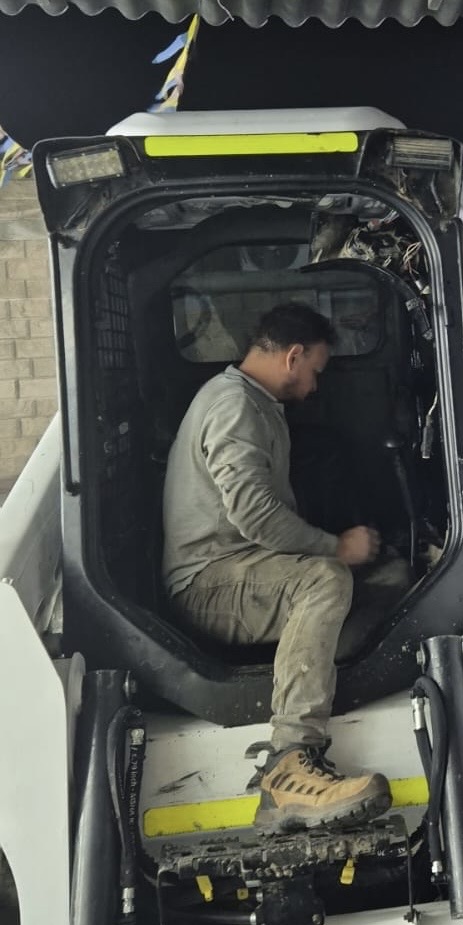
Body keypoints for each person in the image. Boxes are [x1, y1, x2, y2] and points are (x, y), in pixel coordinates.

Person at [162, 302, 392, 831]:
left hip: (236, 570)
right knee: (324, 579)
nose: (314, 387)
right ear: (293, 356)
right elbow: (254, 513)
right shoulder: (234, 406)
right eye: (315, 371)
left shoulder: (255, 403)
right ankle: (290, 763)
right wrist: (337, 548)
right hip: (208, 583)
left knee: (364, 577)